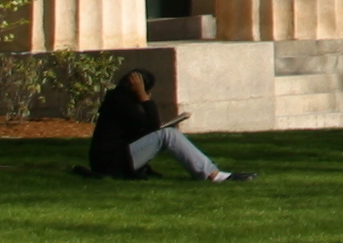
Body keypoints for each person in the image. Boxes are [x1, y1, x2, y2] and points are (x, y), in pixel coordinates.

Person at [86, 68, 253, 181]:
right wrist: (144, 98)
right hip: (112, 163)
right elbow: (152, 125)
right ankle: (213, 175)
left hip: (116, 159)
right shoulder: (119, 101)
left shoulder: (118, 101)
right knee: (168, 135)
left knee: (167, 133)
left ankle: (212, 173)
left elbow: (143, 129)